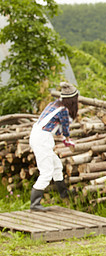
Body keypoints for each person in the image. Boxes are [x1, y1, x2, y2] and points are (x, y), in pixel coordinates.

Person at [29, 82, 78, 211]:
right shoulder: (64, 110)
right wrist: (67, 139)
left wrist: (63, 137)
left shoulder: (54, 104)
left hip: (39, 135)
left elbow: (55, 128)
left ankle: (63, 193)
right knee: (46, 172)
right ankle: (35, 204)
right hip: (42, 139)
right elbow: (65, 129)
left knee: (57, 165)